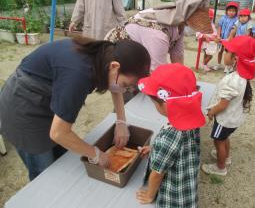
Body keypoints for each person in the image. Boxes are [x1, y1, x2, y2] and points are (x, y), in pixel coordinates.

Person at [0, 38, 151, 181]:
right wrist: (96, 154)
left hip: (47, 101)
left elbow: (116, 86)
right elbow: (58, 133)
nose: (124, 90)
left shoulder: (106, 55)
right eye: (126, 85)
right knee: (45, 171)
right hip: (22, 108)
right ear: (115, 66)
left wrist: (121, 122)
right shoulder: (79, 74)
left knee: (62, 160)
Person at [135, 63, 206, 208]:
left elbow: (157, 174)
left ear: (166, 104)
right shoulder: (191, 117)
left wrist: (150, 194)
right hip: (186, 186)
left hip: (173, 198)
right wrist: (154, 149)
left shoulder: (169, 137)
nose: (154, 105)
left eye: (154, 102)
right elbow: (178, 149)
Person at [105, 0, 213, 72]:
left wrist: (183, 77)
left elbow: (177, 57)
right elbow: (157, 69)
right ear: (185, 18)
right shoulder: (158, 32)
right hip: (119, 52)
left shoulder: (178, 23)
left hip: (138, 53)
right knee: (132, 86)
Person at [202, 36, 255, 176]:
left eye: (227, 51)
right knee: (224, 138)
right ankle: (226, 157)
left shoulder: (232, 80)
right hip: (234, 118)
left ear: (235, 59)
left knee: (218, 141)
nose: (224, 53)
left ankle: (220, 168)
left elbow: (222, 104)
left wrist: (211, 112)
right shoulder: (242, 76)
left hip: (225, 119)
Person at [213, 1, 239, 72]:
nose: (231, 12)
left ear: (236, 12)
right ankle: (218, 63)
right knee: (220, 51)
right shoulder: (223, 18)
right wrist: (218, 35)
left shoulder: (236, 19)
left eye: (233, 11)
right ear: (226, 11)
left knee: (228, 52)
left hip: (230, 39)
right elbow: (219, 27)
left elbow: (234, 29)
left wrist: (230, 38)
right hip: (222, 38)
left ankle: (227, 66)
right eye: (229, 10)